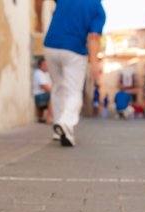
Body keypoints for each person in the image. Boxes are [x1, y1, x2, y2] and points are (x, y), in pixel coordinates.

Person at [36, 0, 106, 147]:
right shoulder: (97, 8)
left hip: (51, 45)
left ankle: (57, 130)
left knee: (57, 88)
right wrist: (94, 64)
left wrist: (38, 20)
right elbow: (94, 37)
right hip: (74, 49)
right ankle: (66, 124)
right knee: (73, 91)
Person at [33, 56, 53, 124]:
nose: (46, 66)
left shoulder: (46, 73)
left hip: (43, 95)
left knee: (54, 95)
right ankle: (49, 118)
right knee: (53, 96)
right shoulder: (38, 73)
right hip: (38, 97)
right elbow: (45, 87)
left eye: (47, 64)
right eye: (44, 65)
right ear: (39, 65)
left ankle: (42, 117)